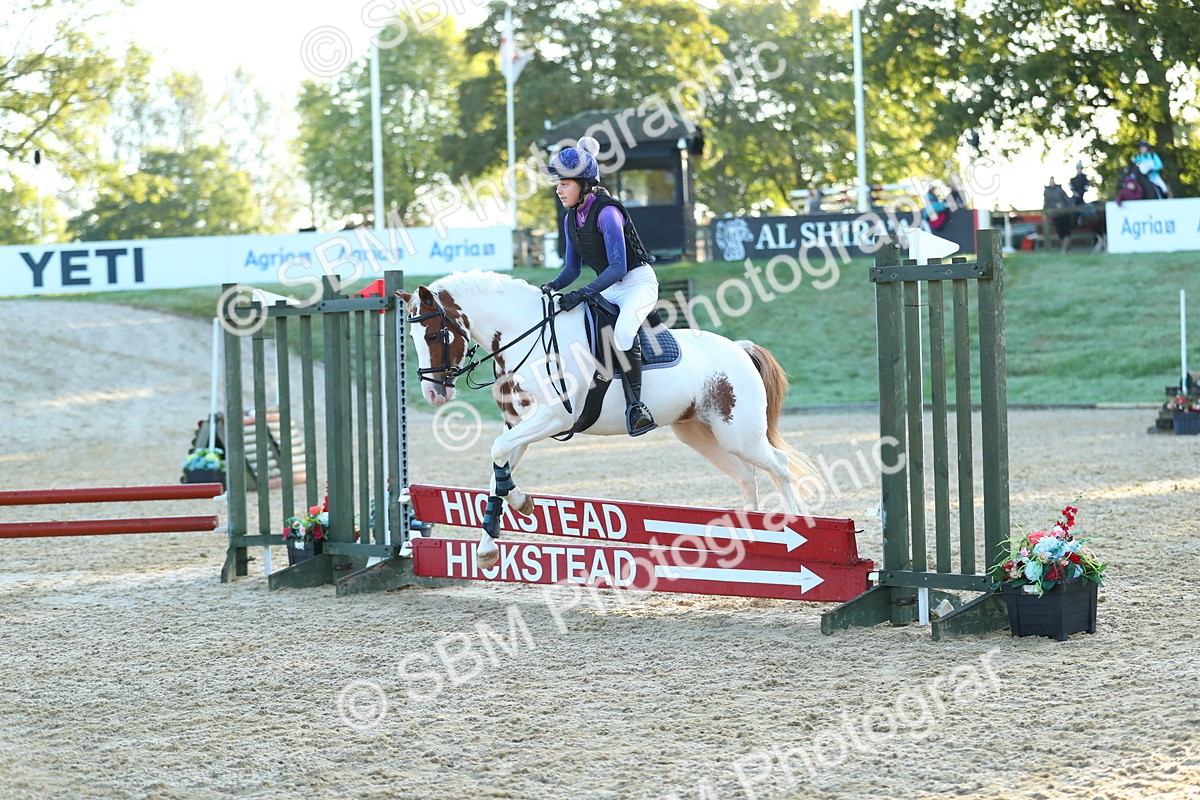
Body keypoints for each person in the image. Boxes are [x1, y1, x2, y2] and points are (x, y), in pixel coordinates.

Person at [540, 136, 659, 436]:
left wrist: (582, 293)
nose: (558, 190)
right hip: (610, 287)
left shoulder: (608, 213)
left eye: (564, 184)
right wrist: (550, 288)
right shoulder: (571, 218)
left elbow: (618, 267)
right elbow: (572, 269)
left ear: (584, 184)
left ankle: (637, 408)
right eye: (558, 184)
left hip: (637, 283)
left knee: (622, 334)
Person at [1043, 178, 1073, 242]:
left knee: (1067, 231)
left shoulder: (1060, 190)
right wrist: (1054, 206)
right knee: (1060, 232)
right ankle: (1064, 245)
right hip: (1055, 215)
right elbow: (1047, 203)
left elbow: (1067, 199)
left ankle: (1066, 245)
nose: (1052, 183)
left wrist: (1067, 208)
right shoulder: (1047, 192)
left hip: (1064, 213)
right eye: (1051, 181)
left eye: (1053, 181)